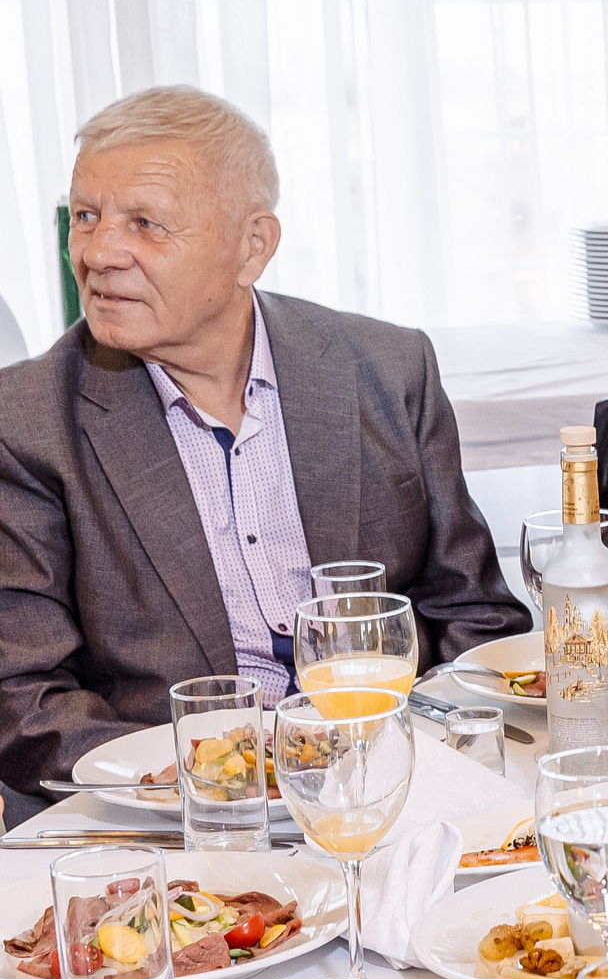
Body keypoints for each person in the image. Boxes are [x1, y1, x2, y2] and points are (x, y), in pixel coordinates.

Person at [0, 86, 525, 813]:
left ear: (253, 245)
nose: (98, 252)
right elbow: (23, 701)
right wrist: (227, 778)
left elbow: (478, 621)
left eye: (145, 224)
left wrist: (413, 762)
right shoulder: (28, 421)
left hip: (395, 786)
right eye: (86, 215)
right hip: (173, 821)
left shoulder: (385, 368)